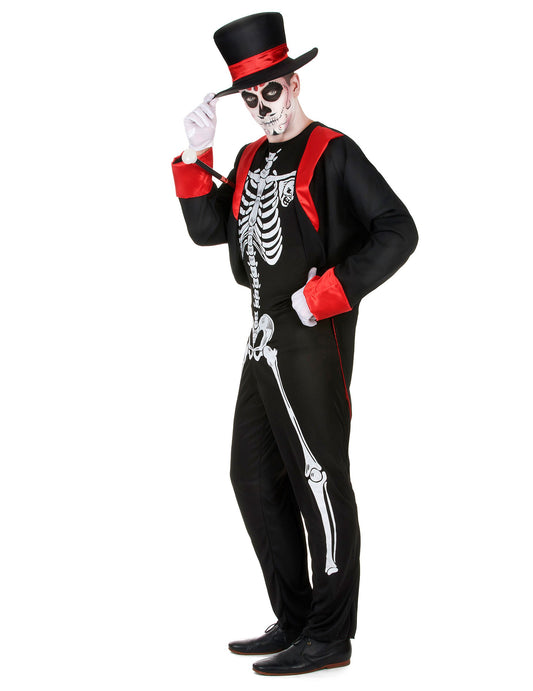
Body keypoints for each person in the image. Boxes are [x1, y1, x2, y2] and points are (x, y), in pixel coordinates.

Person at [171, 12, 418, 676]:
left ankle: (330, 635)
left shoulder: (333, 150)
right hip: (260, 334)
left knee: (319, 475)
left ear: (295, 82)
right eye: (250, 99)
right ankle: (299, 616)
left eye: (271, 92)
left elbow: (398, 229)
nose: (262, 108)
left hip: (312, 335)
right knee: (251, 474)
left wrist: (328, 294)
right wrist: (196, 156)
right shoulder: (250, 157)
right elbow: (210, 230)